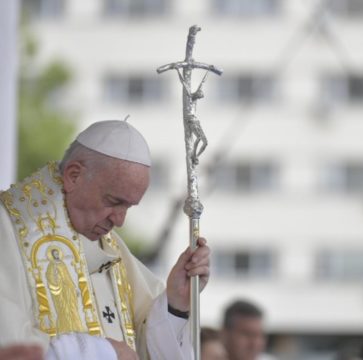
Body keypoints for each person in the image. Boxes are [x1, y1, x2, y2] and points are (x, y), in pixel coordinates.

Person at [0, 120, 211, 359]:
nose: (119, 221)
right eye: (113, 201)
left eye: (129, 207)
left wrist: (175, 304)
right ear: (73, 175)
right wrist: (100, 353)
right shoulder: (8, 228)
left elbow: (141, 348)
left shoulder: (111, 246)